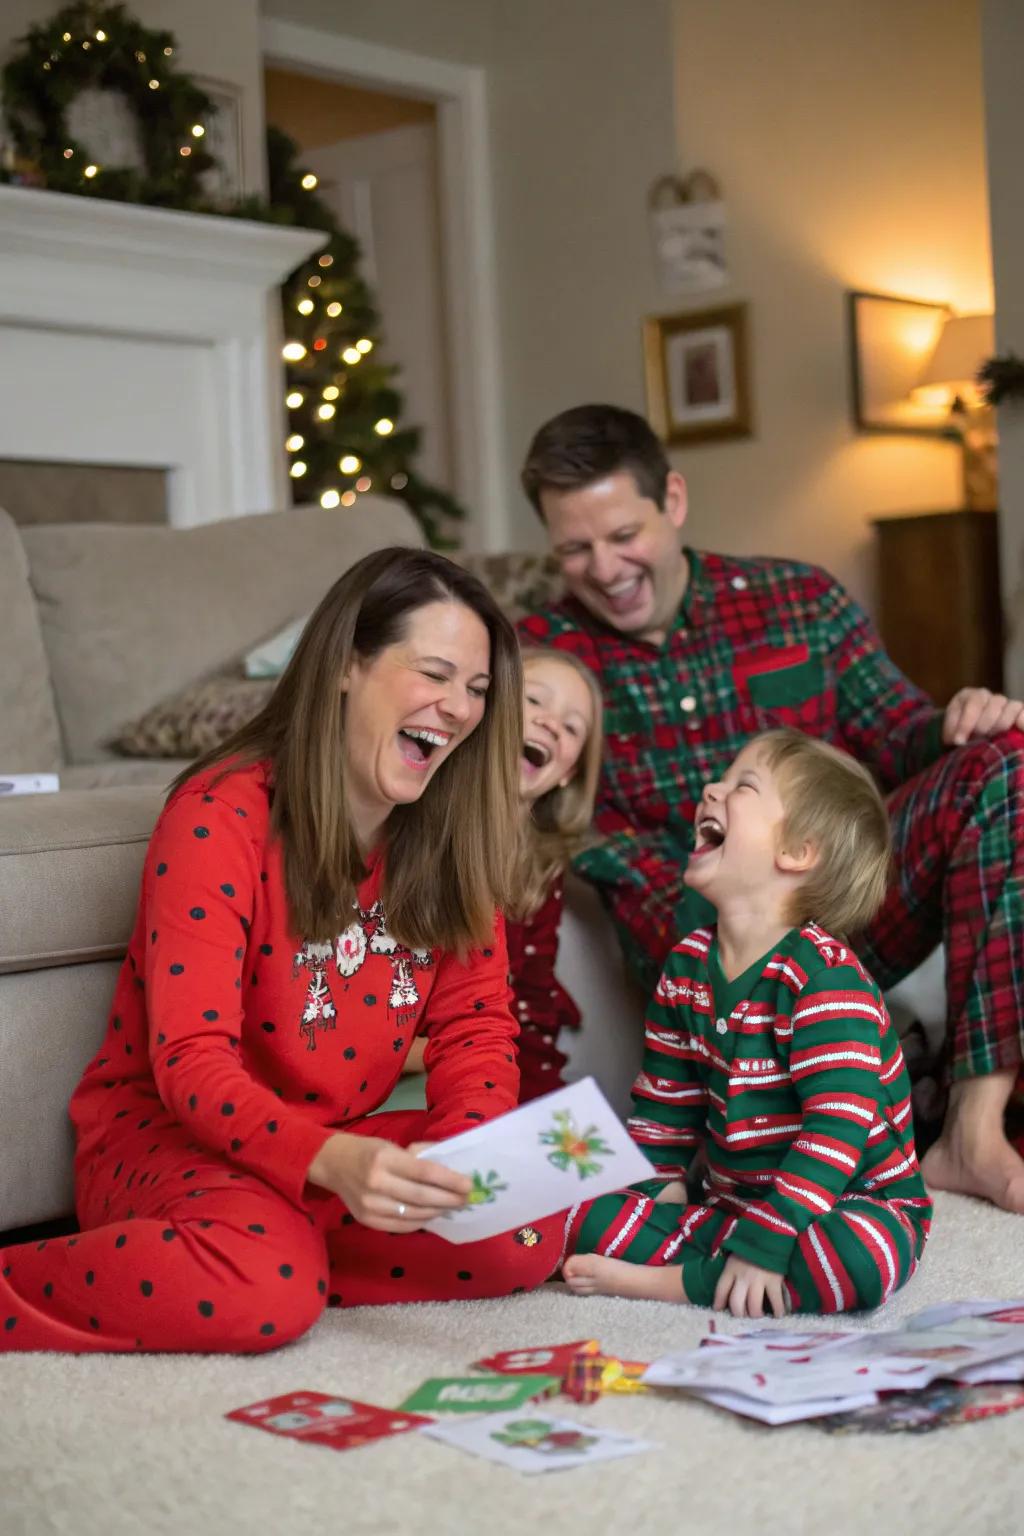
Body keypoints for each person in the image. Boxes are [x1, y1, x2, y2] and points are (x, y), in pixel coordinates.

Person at [0, 548, 563, 1354]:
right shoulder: (219, 815)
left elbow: (477, 1028)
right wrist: (328, 1161)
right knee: (266, 1296)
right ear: (346, 666)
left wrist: (469, 1165)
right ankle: (230, 1258)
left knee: (528, 1231)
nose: (459, 709)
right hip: (164, 1142)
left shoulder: (448, 835)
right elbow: (190, 1064)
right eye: (435, 673)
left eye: (477, 689)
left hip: (326, 1150)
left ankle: (269, 1244)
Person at [518, 403, 1024, 1215]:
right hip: (705, 946)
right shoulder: (546, 667)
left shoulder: (797, 600)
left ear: (672, 501)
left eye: (624, 536)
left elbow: (900, 736)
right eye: (574, 548)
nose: (605, 568)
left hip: (844, 902)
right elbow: (547, 815)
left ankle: (972, 1127)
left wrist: (958, 723)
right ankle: (815, 1090)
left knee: (1005, 761)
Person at [563, 729, 932, 1316]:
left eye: (742, 786)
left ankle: (683, 1283)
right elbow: (664, 1108)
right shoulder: (686, 966)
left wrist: (773, 1235)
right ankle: (731, 1262)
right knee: (586, 1215)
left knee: (856, 1262)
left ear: (797, 853)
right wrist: (657, 1188)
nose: (712, 789)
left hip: (852, 1200)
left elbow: (836, 1131)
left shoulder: (825, 980)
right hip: (733, 1204)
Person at [402, 646, 604, 1100]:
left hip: (482, 1068)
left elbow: (527, 1015)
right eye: (533, 700)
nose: (551, 722)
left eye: (572, 728)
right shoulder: (409, 821)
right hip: (387, 1070)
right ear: (482, 709)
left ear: (569, 772)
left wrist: (542, 1113)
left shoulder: (539, 869)